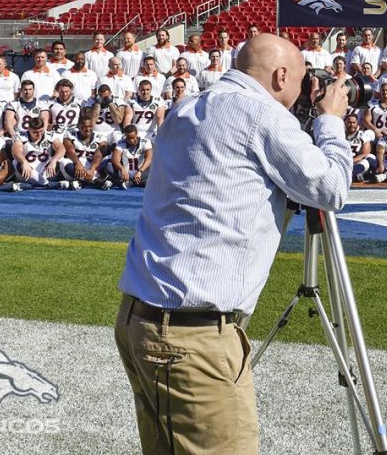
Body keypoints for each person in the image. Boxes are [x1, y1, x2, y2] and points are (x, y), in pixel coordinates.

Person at [116, 33, 353, 455]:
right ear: (281, 75)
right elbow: (330, 188)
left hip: (144, 320)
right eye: (301, 81)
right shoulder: (260, 114)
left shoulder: (188, 107)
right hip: (193, 339)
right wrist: (330, 120)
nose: (304, 91)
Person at [11, 117, 69, 190]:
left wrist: (54, 160)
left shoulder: (50, 135)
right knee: (16, 162)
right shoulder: (20, 135)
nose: (39, 134)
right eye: (35, 132)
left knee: (60, 159)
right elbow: (16, 151)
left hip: (46, 169)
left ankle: (39, 184)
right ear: (29, 129)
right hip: (28, 170)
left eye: (41, 131)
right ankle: (48, 184)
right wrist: (24, 162)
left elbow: (61, 148)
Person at [62, 115, 112, 189]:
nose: (88, 129)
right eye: (84, 127)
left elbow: (100, 154)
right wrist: (77, 163)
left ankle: (81, 182)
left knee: (109, 159)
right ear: (78, 126)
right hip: (76, 167)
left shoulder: (99, 136)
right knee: (63, 162)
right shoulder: (70, 135)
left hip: (92, 167)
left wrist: (92, 169)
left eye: (90, 126)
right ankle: (95, 182)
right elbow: (69, 151)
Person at [111, 124, 153, 190]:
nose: (131, 141)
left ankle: (135, 182)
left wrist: (140, 171)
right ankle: (134, 182)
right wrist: (122, 169)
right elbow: (115, 159)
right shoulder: (121, 143)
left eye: (133, 138)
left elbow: (149, 158)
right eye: (128, 138)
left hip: (142, 174)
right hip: (126, 175)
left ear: (137, 134)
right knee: (109, 165)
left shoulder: (145, 142)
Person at [345, 113, 377, 183]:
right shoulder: (340, 135)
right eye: (349, 122)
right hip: (343, 162)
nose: (352, 125)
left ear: (357, 124)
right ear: (345, 123)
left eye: (354, 122)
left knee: (368, 159)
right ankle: (354, 176)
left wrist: (351, 161)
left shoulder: (362, 135)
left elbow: (365, 154)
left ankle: (351, 175)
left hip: (356, 162)